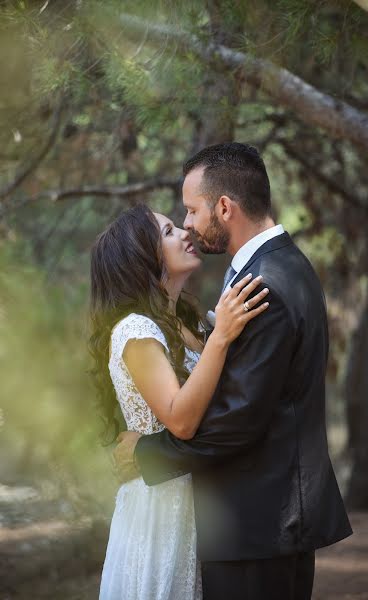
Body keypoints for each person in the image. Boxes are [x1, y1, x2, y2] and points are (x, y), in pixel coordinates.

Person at [114, 142, 353, 600]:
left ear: (224, 207)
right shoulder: (281, 267)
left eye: (191, 210)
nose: (187, 224)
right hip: (265, 520)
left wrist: (147, 453)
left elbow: (237, 419)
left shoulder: (265, 286)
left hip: (258, 523)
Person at [89, 203, 269, 599]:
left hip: (201, 497)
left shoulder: (188, 324)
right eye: (168, 232)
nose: (185, 233)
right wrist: (221, 338)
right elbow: (181, 421)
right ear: (142, 259)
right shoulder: (135, 330)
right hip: (160, 508)